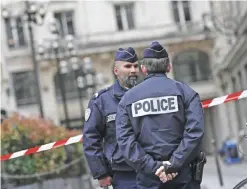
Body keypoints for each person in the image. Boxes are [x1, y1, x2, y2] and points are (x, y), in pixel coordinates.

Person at [116, 41, 205, 189]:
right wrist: (174, 164)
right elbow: (195, 133)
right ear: (169, 67)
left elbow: (125, 141)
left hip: (148, 179)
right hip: (183, 176)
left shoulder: (127, 99)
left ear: (144, 69)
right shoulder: (187, 93)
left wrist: (153, 167)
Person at [83, 47, 139, 189]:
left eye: (135, 66)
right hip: (122, 174)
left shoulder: (147, 94)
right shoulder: (101, 101)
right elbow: (91, 139)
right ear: (116, 71)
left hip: (153, 172)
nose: (133, 70)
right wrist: (101, 173)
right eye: (127, 66)